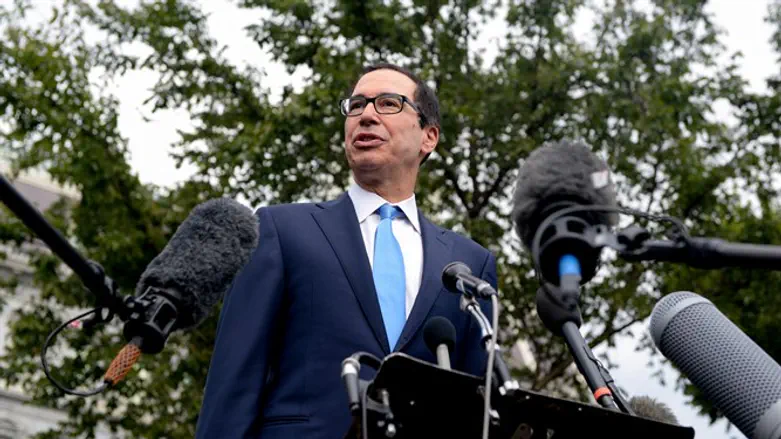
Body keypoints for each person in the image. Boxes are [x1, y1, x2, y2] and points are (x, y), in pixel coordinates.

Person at [195, 63, 497, 438]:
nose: (366, 115)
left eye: (388, 103)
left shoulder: (469, 265)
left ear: (428, 136)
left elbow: (479, 413)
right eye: (356, 106)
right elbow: (233, 382)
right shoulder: (282, 231)